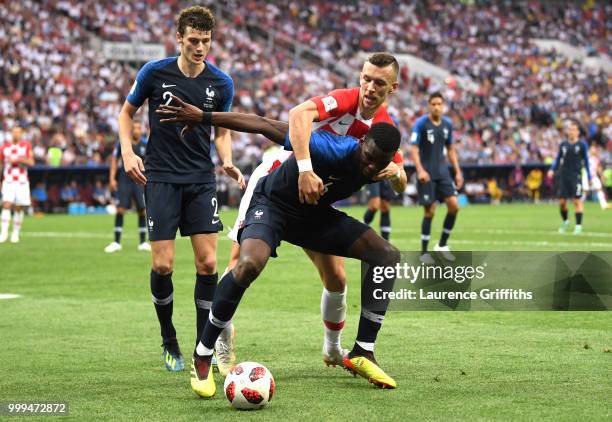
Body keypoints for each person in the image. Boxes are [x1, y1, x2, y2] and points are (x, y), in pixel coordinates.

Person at [167, 110, 402, 396]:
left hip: (314, 216)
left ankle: (363, 350)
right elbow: (262, 124)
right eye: (369, 156)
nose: (371, 166)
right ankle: (202, 355)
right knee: (248, 264)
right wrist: (203, 117)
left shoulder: (380, 166)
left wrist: (398, 173)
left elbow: (397, 177)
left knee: (386, 256)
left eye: (381, 162)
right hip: (273, 205)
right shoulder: (329, 146)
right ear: (362, 142)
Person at [219, 53, 406, 374]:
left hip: (316, 197)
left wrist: (396, 175)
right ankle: (220, 339)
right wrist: (304, 168)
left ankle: (334, 350)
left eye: (379, 83)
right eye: (366, 79)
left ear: (393, 88)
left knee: (336, 277)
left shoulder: (385, 127)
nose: (369, 87)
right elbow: (290, 119)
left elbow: (400, 179)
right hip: (278, 179)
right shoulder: (346, 100)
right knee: (241, 262)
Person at [118, 6, 245, 373]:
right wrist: (128, 152)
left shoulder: (221, 83)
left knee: (208, 264)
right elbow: (127, 114)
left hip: (200, 179)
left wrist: (227, 159)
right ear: (179, 37)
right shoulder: (155, 73)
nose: (200, 47)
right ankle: (168, 336)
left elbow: (222, 130)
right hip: (159, 177)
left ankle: (202, 349)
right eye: (193, 40)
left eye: (206, 41)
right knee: (163, 264)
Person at [411, 92, 463, 263]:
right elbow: (414, 148)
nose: (436, 107)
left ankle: (441, 245)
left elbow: (451, 149)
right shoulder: (420, 124)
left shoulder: (447, 124)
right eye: (433, 104)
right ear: (429, 105)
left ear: (443, 105)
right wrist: (420, 170)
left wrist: (457, 171)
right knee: (430, 210)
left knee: (454, 206)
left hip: (443, 173)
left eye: (439, 104)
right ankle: (424, 252)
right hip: (426, 174)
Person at [104, 121, 150, 253]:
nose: (136, 130)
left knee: (142, 210)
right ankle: (116, 242)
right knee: (120, 209)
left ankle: (142, 242)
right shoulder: (124, 144)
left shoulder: (145, 144)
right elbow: (114, 160)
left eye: (138, 127)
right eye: (134, 128)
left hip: (140, 181)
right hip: (125, 180)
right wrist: (112, 178)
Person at [547, 119, 591, 234]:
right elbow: (558, 159)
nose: (571, 132)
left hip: (576, 176)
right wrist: (552, 169)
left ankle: (578, 226)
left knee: (577, 201)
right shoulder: (563, 145)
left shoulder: (582, 145)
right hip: (563, 176)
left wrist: (589, 177)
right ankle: (566, 221)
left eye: (574, 130)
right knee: (562, 202)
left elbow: (586, 161)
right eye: (570, 129)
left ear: (578, 132)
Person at [0, 126, 34, 243]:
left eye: (18, 132)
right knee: (6, 204)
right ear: (11, 133)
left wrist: (20, 159)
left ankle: (15, 233)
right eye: (14, 132)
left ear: (21, 134)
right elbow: (1, 165)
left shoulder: (26, 146)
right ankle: (3, 233)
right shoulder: (4, 147)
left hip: (22, 181)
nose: (16, 134)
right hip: (8, 180)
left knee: (19, 207)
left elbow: (31, 162)